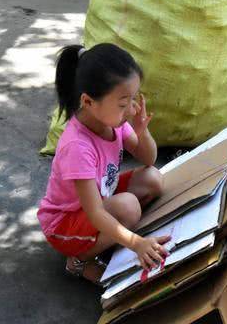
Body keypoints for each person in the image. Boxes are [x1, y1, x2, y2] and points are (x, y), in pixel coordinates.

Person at [37, 43, 170, 284]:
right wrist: (136, 243)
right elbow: (96, 212)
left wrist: (142, 132)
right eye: (123, 103)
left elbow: (149, 159)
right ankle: (79, 261)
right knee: (129, 207)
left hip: (99, 200)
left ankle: (110, 237)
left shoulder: (112, 122)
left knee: (153, 178)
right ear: (88, 102)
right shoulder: (77, 147)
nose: (131, 108)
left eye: (133, 99)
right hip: (65, 223)